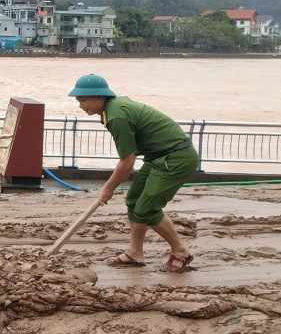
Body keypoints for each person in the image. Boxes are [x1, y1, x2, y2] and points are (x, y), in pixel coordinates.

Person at [70, 74, 198, 273]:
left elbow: (127, 160)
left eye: (83, 100)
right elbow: (129, 159)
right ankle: (135, 252)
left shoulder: (116, 115)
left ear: (99, 98)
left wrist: (107, 189)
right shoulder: (111, 110)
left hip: (175, 157)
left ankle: (181, 252)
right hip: (157, 156)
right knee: (134, 200)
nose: (80, 105)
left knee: (147, 209)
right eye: (78, 101)